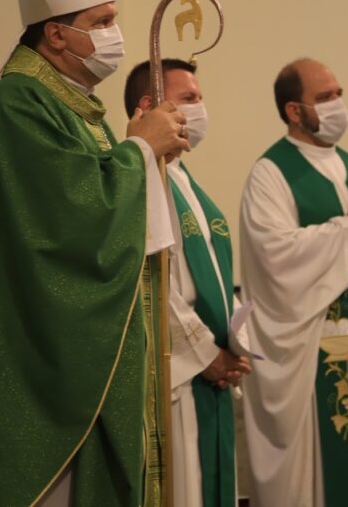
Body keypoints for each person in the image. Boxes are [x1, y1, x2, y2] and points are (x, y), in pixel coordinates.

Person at [0, 0, 189, 507]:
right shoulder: (19, 106)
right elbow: (68, 225)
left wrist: (139, 156)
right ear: (56, 34)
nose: (113, 35)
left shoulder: (68, 107)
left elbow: (94, 198)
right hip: (32, 369)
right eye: (101, 22)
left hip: (62, 354)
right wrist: (138, 152)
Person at [239, 58, 348, 506]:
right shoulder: (271, 172)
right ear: (294, 111)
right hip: (317, 352)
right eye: (325, 97)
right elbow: (272, 255)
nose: (338, 105)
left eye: (339, 93)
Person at [124, 58, 252, 507]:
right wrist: (205, 353)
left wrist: (236, 342)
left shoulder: (186, 182)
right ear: (149, 107)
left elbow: (214, 279)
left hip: (210, 366)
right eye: (189, 100)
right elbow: (151, 282)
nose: (200, 110)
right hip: (177, 373)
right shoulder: (142, 176)